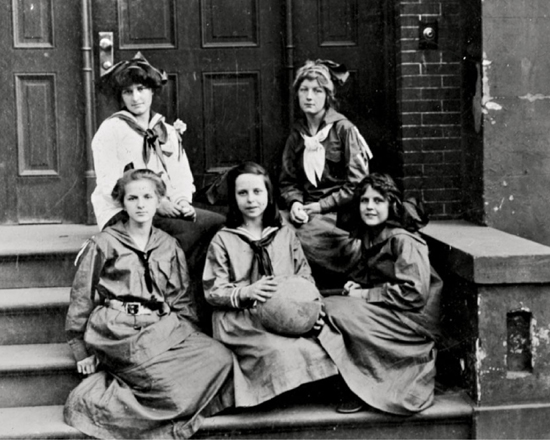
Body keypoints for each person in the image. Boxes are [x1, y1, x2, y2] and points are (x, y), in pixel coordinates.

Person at [64, 169, 233, 439]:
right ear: (122, 202)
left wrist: (184, 339)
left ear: (159, 201)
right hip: (118, 329)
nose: (141, 204)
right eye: (133, 198)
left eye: (147, 197)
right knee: (167, 384)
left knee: (221, 359)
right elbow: (82, 295)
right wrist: (79, 348)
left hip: (160, 325)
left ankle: (144, 395)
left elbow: (181, 299)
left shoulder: (168, 245)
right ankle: (98, 404)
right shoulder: (104, 243)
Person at [90, 52, 224, 330]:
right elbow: (110, 182)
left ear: (152, 91)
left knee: (214, 223)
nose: (136, 98)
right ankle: (167, 301)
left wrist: (182, 201)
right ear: (120, 96)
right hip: (124, 210)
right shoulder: (111, 129)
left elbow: (179, 174)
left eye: (141, 89)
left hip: (161, 207)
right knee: (187, 234)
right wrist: (155, 205)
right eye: (128, 92)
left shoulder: (165, 130)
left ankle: (199, 302)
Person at [203, 161, 338, 408]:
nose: (251, 199)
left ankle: (295, 391)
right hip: (241, 318)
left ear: (269, 194)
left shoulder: (284, 234)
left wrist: (312, 310)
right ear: (234, 198)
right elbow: (213, 291)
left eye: (257, 192)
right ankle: (270, 396)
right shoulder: (224, 239)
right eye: (242, 193)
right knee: (278, 352)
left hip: (284, 312)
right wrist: (247, 291)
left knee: (319, 348)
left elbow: (304, 276)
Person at [317, 173, 442, 415]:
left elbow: (414, 293)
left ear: (392, 204)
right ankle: (359, 383)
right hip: (391, 310)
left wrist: (364, 295)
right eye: (364, 201)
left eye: (378, 200)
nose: (370, 207)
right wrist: (357, 285)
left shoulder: (405, 240)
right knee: (330, 306)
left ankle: (366, 388)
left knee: (336, 311)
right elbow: (377, 275)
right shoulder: (373, 234)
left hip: (412, 322)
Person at [279, 59, 373, 287]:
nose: (309, 97)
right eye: (304, 90)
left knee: (296, 237)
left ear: (328, 96)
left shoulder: (344, 130)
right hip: (305, 212)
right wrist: (295, 204)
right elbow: (287, 181)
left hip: (338, 215)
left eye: (316, 90)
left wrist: (321, 206)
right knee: (272, 227)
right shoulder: (297, 134)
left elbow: (358, 185)